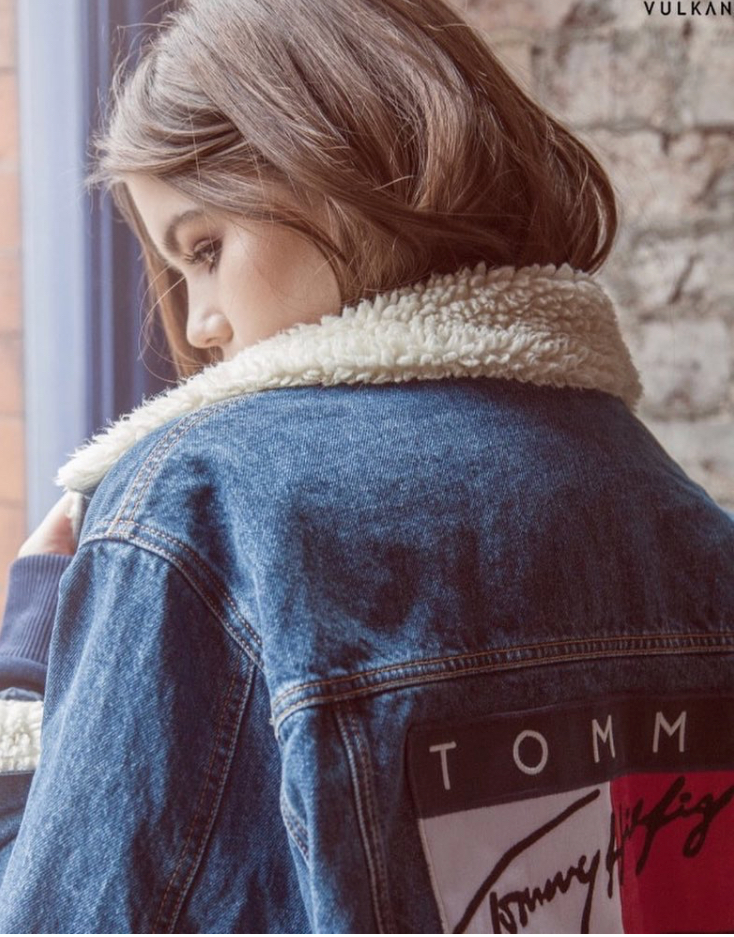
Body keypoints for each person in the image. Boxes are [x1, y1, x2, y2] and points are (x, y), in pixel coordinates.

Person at [0, 0, 733, 931]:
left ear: (341, 164)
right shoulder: (676, 512)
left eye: (207, 248)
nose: (199, 323)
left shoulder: (201, 505)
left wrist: (28, 672)